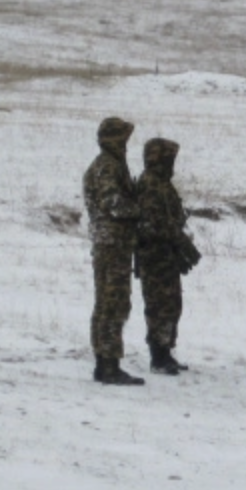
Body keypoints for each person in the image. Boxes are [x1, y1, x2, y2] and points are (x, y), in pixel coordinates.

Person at [82, 117, 145, 385]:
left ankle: (105, 361)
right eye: (123, 138)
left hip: (110, 243)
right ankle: (108, 364)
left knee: (107, 303)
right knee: (114, 303)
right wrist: (140, 210)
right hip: (113, 244)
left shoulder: (107, 164)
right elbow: (114, 204)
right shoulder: (107, 167)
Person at [136, 138, 200, 375]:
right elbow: (154, 223)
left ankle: (166, 349)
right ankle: (158, 356)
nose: (172, 163)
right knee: (159, 305)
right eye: (168, 158)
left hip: (166, 255)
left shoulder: (161, 183)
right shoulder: (151, 184)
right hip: (155, 255)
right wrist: (179, 239)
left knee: (172, 303)